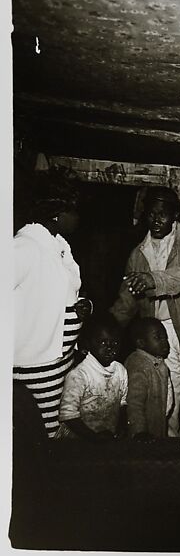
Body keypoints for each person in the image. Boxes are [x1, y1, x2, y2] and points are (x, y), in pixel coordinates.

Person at [110, 187, 180, 436]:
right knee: (164, 404)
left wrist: (154, 280)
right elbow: (126, 303)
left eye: (164, 213)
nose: (157, 219)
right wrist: (105, 330)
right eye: (151, 213)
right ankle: (168, 460)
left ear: (175, 215)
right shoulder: (138, 254)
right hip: (158, 339)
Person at [13, 167, 93, 437]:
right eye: (76, 212)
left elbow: (60, 295)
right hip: (35, 367)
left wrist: (82, 306)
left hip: (58, 361)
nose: (80, 219)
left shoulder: (57, 246)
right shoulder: (24, 248)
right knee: (37, 438)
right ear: (57, 215)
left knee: (52, 432)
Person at [55, 314, 127, 441]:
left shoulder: (120, 371)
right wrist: (93, 437)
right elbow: (68, 416)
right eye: (103, 342)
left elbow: (122, 404)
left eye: (115, 342)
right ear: (88, 344)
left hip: (105, 435)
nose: (110, 347)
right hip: (77, 439)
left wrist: (121, 428)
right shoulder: (79, 375)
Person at [125, 317, 175, 440]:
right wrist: (139, 431)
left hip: (157, 424)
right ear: (141, 343)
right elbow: (135, 404)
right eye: (158, 338)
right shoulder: (139, 366)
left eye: (165, 338)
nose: (165, 342)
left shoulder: (156, 361)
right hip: (144, 433)